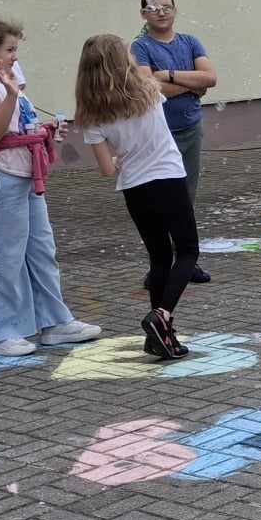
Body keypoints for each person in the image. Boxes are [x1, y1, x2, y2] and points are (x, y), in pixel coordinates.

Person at [0, 16, 101, 356]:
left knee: (41, 251)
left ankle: (54, 321)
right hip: (2, 179)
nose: (15, 56)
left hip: (24, 177)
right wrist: (11, 97)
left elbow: (17, 127)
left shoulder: (4, 82)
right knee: (5, 257)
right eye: (10, 49)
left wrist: (42, 129)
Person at [75, 34, 198, 358]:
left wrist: (121, 157)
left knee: (158, 258)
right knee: (187, 252)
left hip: (134, 187)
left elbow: (106, 169)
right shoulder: (148, 90)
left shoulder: (92, 113)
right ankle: (162, 316)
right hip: (168, 177)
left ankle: (159, 338)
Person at [130, 0, 216, 284]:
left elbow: (211, 78)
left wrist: (166, 75)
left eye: (167, 6)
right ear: (144, 14)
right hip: (157, 133)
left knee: (186, 197)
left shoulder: (190, 42)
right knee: (158, 199)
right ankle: (160, 264)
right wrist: (194, 85)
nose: (162, 12)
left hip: (190, 128)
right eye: (154, 8)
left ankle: (186, 261)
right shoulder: (140, 47)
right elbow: (145, 86)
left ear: (175, 9)